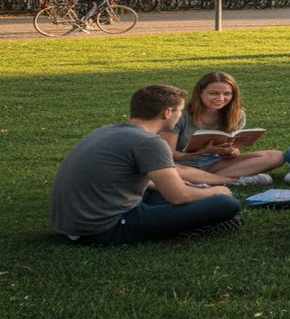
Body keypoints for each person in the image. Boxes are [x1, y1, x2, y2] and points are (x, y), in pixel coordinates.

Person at [51, 84, 243, 244]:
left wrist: (185, 187)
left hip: (71, 225)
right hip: (104, 228)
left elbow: (130, 179)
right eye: (180, 111)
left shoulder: (107, 130)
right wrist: (215, 190)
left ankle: (189, 221)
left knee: (160, 194)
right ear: (168, 113)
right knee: (226, 204)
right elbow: (178, 196)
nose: (180, 116)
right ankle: (188, 228)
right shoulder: (149, 142)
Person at [162, 71, 284, 187]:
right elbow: (169, 155)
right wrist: (202, 152)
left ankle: (203, 179)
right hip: (182, 164)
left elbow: (230, 146)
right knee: (161, 169)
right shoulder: (180, 114)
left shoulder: (237, 114)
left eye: (227, 94)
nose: (220, 98)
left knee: (276, 156)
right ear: (200, 93)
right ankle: (231, 180)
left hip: (214, 163)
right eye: (213, 93)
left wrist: (232, 151)